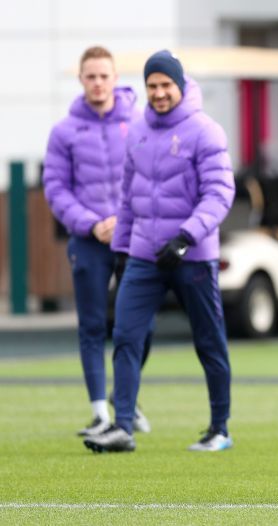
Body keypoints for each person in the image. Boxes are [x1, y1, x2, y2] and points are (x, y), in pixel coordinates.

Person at [83, 50, 235, 453]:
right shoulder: (137, 131)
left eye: (166, 84)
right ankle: (123, 428)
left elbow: (220, 194)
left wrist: (186, 237)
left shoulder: (206, 131)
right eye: (152, 85)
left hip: (193, 257)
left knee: (209, 342)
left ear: (180, 86)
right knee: (126, 337)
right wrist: (122, 249)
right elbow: (129, 198)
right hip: (144, 257)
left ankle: (219, 428)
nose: (159, 92)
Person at [43, 46, 152, 438]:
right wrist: (91, 225)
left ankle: (126, 398)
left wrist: (124, 221)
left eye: (104, 76)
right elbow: (55, 188)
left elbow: (150, 179)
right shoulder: (64, 131)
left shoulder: (139, 124)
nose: (98, 83)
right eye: (91, 76)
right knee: (91, 325)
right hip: (87, 241)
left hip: (132, 237)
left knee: (138, 325)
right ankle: (100, 412)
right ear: (81, 80)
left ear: (115, 78)